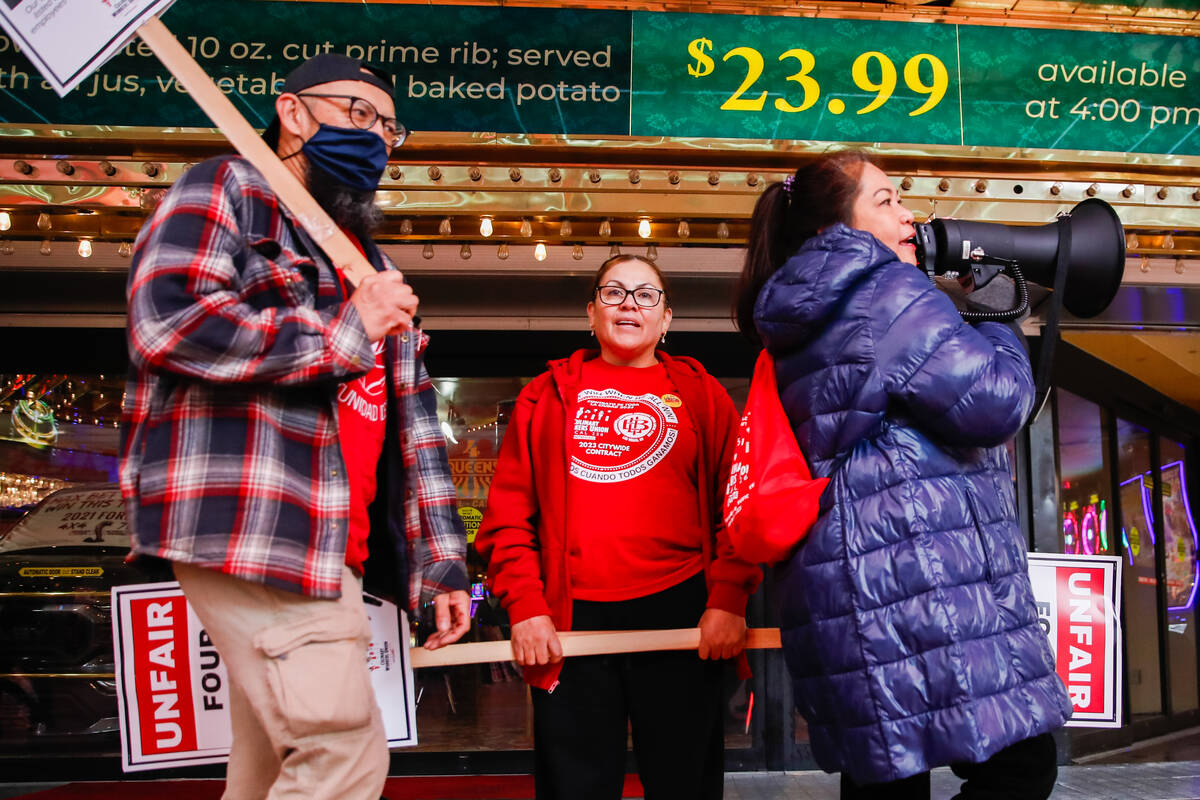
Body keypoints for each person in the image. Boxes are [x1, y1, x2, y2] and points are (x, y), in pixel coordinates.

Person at [119, 54, 470, 800]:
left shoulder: (368, 266)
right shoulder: (228, 188)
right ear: (293, 112)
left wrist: (440, 563)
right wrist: (347, 331)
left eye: (388, 126)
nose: (375, 137)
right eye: (357, 112)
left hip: (332, 549)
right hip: (257, 530)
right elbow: (171, 322)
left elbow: (414, 434)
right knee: (340, 751)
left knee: (273, 768)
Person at [734, 150, 1072, 800]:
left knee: (886, 773)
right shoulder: (885, 291)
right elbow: (997, 401)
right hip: (914, 582)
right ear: (837, 229)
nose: (908, 213)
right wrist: (1001, 318)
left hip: (854, 590)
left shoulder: (808, 308)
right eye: (886, 200)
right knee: (1022, 764)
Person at [475, 255, 761, 800]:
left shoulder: (703, 395)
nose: (629, 303)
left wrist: (728, 598)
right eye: (614, 292)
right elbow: (509, 515)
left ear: (667, 318)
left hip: (683, 613)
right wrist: (527, 608)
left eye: (645, 294)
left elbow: (739, 507)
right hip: (569, 619)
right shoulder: (545, 395)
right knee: (574, 788)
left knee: (685, 786)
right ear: (591, 312)